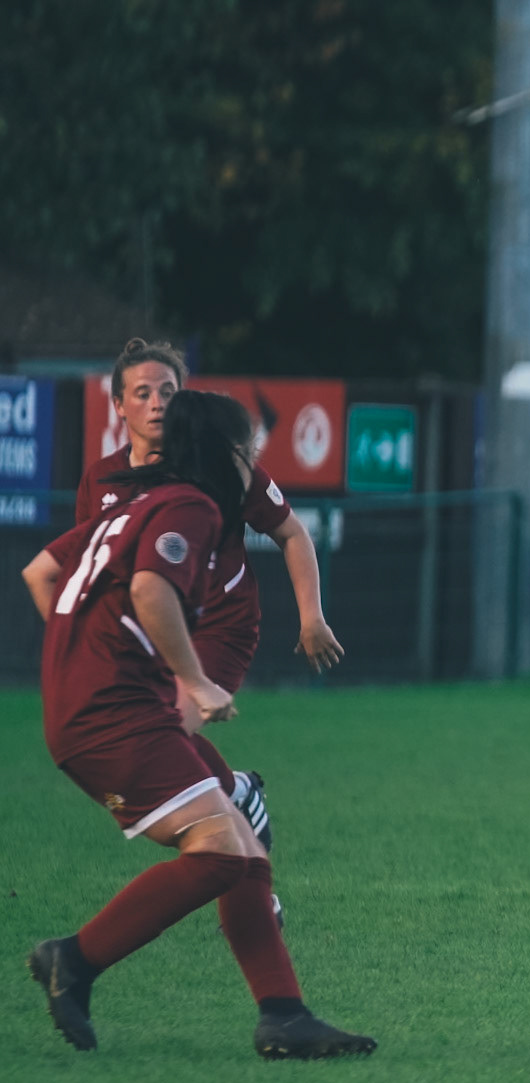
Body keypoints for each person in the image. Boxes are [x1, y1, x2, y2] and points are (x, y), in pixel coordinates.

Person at [21, 389, 374, 1058]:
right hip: (112, 717)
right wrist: (195, 679)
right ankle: (74, 958)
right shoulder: (193, 505)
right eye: (248, 450)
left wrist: (86, 655)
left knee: (242, 837)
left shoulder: (134, 502)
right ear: (224, 452)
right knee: (219, 851)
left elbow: (40, 570)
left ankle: (283, 1014)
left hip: (107, 706)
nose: (253, 463)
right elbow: (151, 588)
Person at [77, 338, 344, 878]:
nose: (157, 402)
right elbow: (87, 569)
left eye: (168, 391)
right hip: (147, 633)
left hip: (219, 626)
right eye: (142, 392)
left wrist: (311, 616)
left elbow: (292, 533)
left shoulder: (222, 465)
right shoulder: (102, 481)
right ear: (119, 405)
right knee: (155, 748)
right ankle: (236, 799)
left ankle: (243, 864)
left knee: (167, 733)